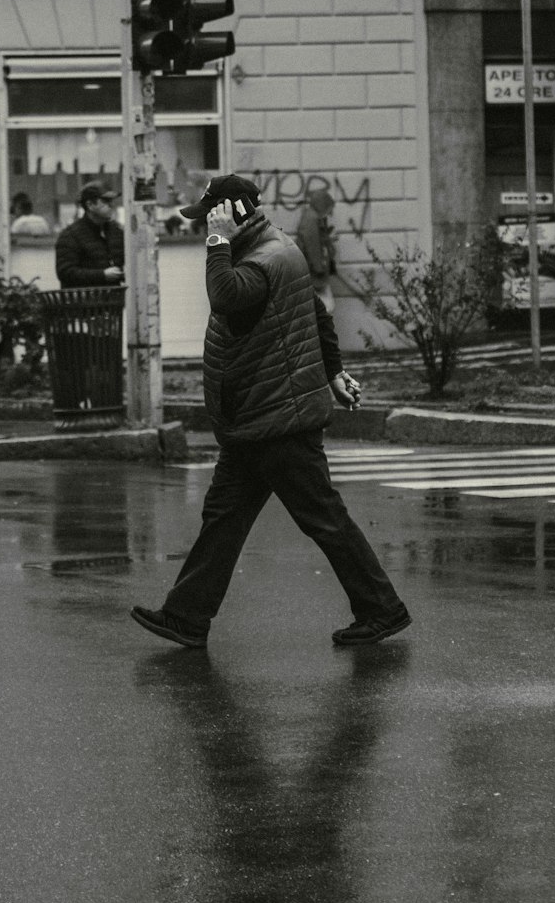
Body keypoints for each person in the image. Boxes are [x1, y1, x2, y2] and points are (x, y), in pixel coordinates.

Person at [130, 175, 411, 651]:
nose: (205, 229)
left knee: (323, 519)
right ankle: (186, 617)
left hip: (279, 417)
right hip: (254, 419)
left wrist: (218, 242)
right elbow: (316, 317)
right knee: (224, 518)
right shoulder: (274, 249)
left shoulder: (263, 258)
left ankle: (382, 609)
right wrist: (334, 372)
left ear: (236, 212)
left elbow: (226, 297)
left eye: (212, 218)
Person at [55, 182, 124, 287]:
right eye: (105, 201)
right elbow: (65, 272)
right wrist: (101, 275)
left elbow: (122, 262)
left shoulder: (116, 232)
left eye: (111, 201)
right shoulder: (70, 235)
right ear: (90, 205)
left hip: (114, 300)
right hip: (83, 301)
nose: (111, 205)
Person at [295, 187, 338, 313]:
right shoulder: (311, 220)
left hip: (309, 272)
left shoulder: (311, 217)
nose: (329, 213)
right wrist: (319, 267)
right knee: (326, 308)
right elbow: (313, 246)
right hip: (313, 274)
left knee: (321, 309)